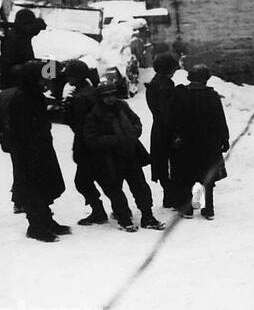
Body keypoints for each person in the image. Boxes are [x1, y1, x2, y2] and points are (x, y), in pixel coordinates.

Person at [82, 78, 164, 232]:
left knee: (140, 187)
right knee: (115, 190)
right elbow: (91, 138)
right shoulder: (94, 115)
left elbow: (136, 122)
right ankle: (123, 218)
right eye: (106, 96)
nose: (110, 99)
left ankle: (147, 216)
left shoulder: (122, 107)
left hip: (130, 154)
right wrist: (114, 140)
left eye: (112, 95)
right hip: (110, 159)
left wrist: (133, 133)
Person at [2, 61, 68, 242]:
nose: (44, 82)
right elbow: (22, 130)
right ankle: (36, 226)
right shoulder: (21, 99)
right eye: (40, 79)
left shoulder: (34, 95)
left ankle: (47, 220)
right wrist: (32, 149)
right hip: (27, 152)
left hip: (40, 147)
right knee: (33, 188)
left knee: (45, 184)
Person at [170, 65, 229, 220]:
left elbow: (174, 120)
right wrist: (224, 139)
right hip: (209, 144)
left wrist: (174, 138)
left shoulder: (181, 95)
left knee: (186, 176)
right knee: (208, 177)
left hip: (186, 143)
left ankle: (188, 209)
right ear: (206, 79)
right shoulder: (212, 96)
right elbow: (220, 120)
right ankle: (208, 209)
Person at [64, 60, 108, 226]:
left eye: (70, 74)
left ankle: (99, 211)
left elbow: (78, 124)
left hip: (86, 144)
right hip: (96, 143)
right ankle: (117, 209)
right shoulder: (91, 91)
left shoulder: (81, 97)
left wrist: (67, 111)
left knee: (83, 181)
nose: (67, 78)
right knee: (104, 178)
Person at [146, 54, 183, 209]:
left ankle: (168, 197)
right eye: (173, 69)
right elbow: (168, 112)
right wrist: (176, 133)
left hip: (159, 129)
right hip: (167, 129)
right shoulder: (165, 86)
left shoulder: (157, 83)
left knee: (161, 163)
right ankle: (173, 197)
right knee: (172, 164)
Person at [0, 8, 46, 89]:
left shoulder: (24, 34)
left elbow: (37, 28)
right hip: (13, 74)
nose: (30, 27)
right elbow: (8, 66)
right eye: (29, 24)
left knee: (52, 65)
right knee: (47, 67)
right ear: (23, 24)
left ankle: (47, 87)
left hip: (25, 66)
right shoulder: (13, 38)